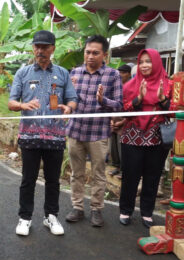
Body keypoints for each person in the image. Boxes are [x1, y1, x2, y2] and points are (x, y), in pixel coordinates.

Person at [8, 30, 78, 236]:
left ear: (53, 49)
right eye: (37, 46)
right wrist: (23, 104)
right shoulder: (23, 73)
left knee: (53, 180)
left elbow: (72, 98)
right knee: (28, 179)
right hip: (29, 136)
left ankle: (51, 216)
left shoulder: (63, 73)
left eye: (45, 47)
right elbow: (11, 103)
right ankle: (25, 218)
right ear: (33, 48)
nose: (40, 50)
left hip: (55, 135)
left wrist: (68, 108)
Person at [65, 35, 123, 227]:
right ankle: (78, 207)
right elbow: (67, 100)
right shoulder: (74, 73)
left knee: (98, 173)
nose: (90, 56)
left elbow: (119, 105)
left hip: (98, 133)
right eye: (87, 52)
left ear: (104, 54)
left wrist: (103, 101)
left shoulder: (112, 75)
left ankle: (97, 209)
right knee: (76, 172)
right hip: (75, 131)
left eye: (95, 53)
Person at [118, 49, 172, 228]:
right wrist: (138, 99)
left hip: (157, 138)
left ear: (156, 62)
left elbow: (174, 111)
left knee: (152, 176)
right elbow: (123, 111)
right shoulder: (130, 86)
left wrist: (163, 99)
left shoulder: (169, 84)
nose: (144, 65)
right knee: (130, 176)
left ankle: (147, 212)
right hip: (132, 137)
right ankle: (126, 210)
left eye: (148, 61)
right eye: (141, 62)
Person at [108, 64, 133, 177]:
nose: (120, 75)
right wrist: (111, 120)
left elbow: (133, 107)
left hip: (125, 121)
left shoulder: (131, 86)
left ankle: (125, 170)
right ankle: (117, 167)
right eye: (119, 72)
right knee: (113, 147)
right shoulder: (115, 86)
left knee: (122, 147)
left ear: (128, 74)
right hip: (114, 119)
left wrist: (123, 122)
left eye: (123, 72)